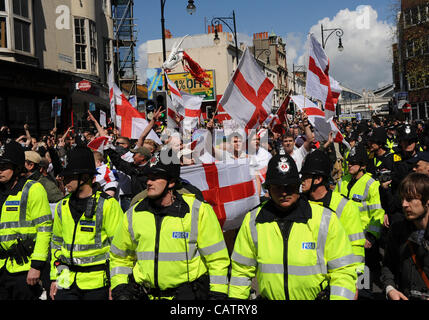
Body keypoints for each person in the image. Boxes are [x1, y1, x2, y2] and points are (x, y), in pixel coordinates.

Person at [228, 151, 359, 300]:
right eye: (277, 187)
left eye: (289, 187)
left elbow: (343, 270)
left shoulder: (326, 219)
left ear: (298, 186)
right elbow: (241, 272)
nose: (284, 193)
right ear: (268, 189)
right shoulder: (253, 220)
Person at [110, 152, 230, 300]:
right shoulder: (134, 212)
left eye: (155, 178)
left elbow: (217, 259)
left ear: (171, 182)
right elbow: (119, 257)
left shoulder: (198, 211)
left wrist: (217, 294)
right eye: (148, 177)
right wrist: (120, 288)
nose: (148, 182)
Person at [49, 146, 123, 300]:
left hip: (97, 284)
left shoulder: (108, 205)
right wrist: (56, 278)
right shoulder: (62, 206)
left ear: (84, 177)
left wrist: (117, 284)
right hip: (65, 280)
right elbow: (56, 244)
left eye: (69, 177)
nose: (64, 180)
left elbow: (120, 248)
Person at [0, 141, 53, 300]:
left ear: (17, 168)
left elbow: (44, 230)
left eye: (4, 167)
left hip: (24, 268)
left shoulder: (33, 189)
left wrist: (36, 266)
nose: (0, 170)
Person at [301, 150, 365, 275]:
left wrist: (355, 279)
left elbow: (356, 245)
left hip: (335, 275)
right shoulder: (299, 203)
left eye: (306, 176)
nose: (302, 180)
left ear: (318, 179)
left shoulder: (345, 206)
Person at [335, 143, 385, 298]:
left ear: (363, 165)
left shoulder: (371, 184)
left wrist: (370, 236)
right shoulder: (342, 181)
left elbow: (377, 213)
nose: (349, 165)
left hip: (363, 239)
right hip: (342, 238)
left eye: (354, 163)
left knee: (362, 282)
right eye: (349, 162)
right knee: (344, 277)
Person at [381, 173, 429, 300]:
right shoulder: (398, 229)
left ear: (427, 200)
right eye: (402, 199)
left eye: (410, 199)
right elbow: (388, 265)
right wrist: (390, 288)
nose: (404, 204)